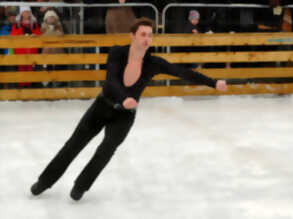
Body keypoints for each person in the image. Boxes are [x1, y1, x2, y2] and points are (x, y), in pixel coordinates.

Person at [30, 17, 227, 201]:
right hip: (102, 106)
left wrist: (213, 82)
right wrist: (125, 98)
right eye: (143, 34)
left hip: (124, 117)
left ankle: (81, 185)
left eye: (150, 35)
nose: (147, 39)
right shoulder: (117, 53)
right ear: (132, 36)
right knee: (74, 144)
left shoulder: (154, 63)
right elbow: (112, 79)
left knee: (106, 150)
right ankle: (45, 181)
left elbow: (183, 72)